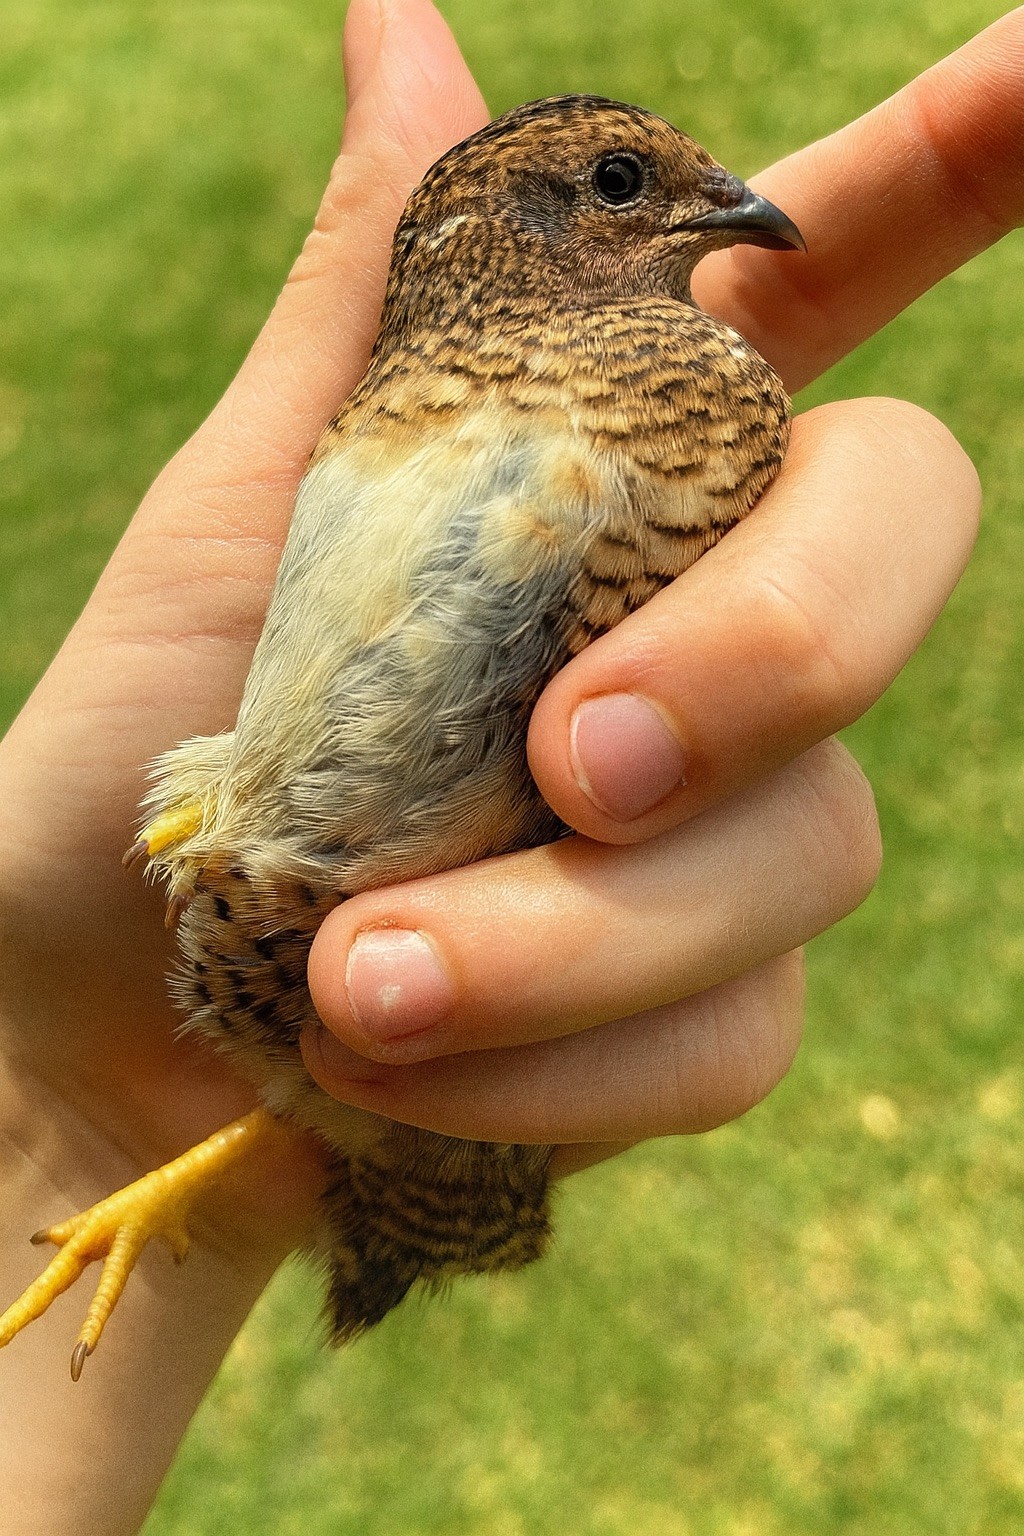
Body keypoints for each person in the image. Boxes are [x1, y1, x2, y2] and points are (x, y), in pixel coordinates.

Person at [0, 0, 1019, 1529]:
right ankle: (355, 1160)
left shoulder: (712, 398)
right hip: (253, 937)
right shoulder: (408, 378)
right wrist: (52, 1094)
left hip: (313, 994)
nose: (724, 206)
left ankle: (361, 1169)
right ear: (505, 223)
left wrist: (78, 1116)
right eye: (624, 183)